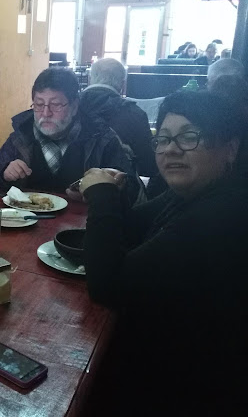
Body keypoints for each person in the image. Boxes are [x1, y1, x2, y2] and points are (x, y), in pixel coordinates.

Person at [80, 92, 248, 415]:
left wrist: (101, 196)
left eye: (189, 137)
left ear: (231, 148)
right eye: (164, 138)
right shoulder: (192, 191)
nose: (171, 148)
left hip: (187, 388)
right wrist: (110, 192)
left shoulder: (224, 214)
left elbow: (108, 283)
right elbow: (129, 227)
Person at [0, 68, 142, 204]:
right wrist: (4, 173)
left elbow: (132, 189)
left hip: (82, 225)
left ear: (74, 107)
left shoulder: (101, 137)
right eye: (39, 104)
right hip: (28, 222)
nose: (46, 113)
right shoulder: (22, 135)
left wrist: (100, 191)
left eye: (56, 105)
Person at [79, 58, 157, 177]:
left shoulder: (68, 107)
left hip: (67, 187)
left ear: (90, 79)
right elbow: (148, 165)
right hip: (117, 187)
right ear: (122, 83)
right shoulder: (135, 114)